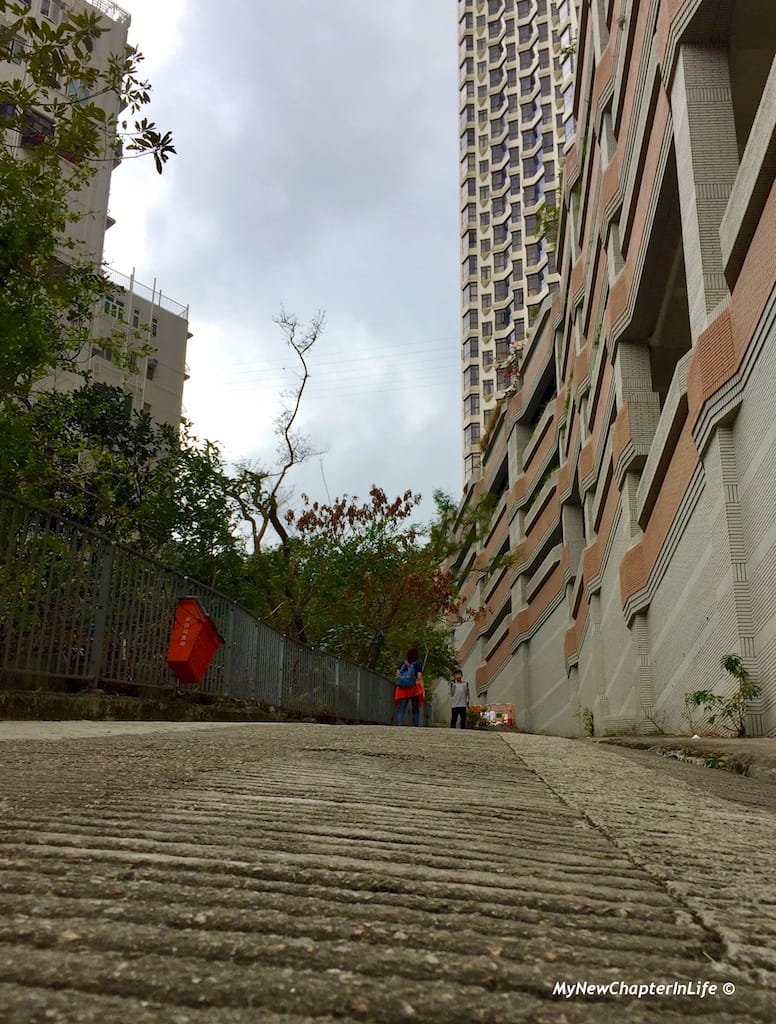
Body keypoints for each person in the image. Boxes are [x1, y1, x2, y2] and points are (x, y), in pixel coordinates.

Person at [395, 646, 424, 726]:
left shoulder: (402, 664)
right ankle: (415, 726)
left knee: (401, 709)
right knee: (415, 709)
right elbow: (419, 678)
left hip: (402, 689)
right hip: (414, 689)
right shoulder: (417, 665)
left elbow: (397, 676)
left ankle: (399, 725)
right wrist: (423, 691)